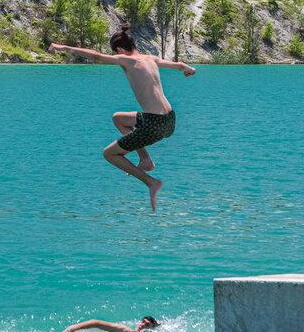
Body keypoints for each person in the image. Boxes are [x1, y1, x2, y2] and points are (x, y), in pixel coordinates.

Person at [49, 24, 196, 211]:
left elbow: (95, 56)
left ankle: (151, 182)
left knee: (109, 154)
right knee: (118, 118)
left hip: (155, 124)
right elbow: (180, 65)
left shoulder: (126, 61)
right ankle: (146, 160)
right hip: (170, 119)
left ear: (119, 49)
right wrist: (188, 69)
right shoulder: (150, 58)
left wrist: (63, 47)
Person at [61, 316, 159, 332]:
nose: (142, 325)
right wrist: (72, 329)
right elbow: (96, 322)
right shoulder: (126, 330)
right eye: (143, 322)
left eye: (147, 325)